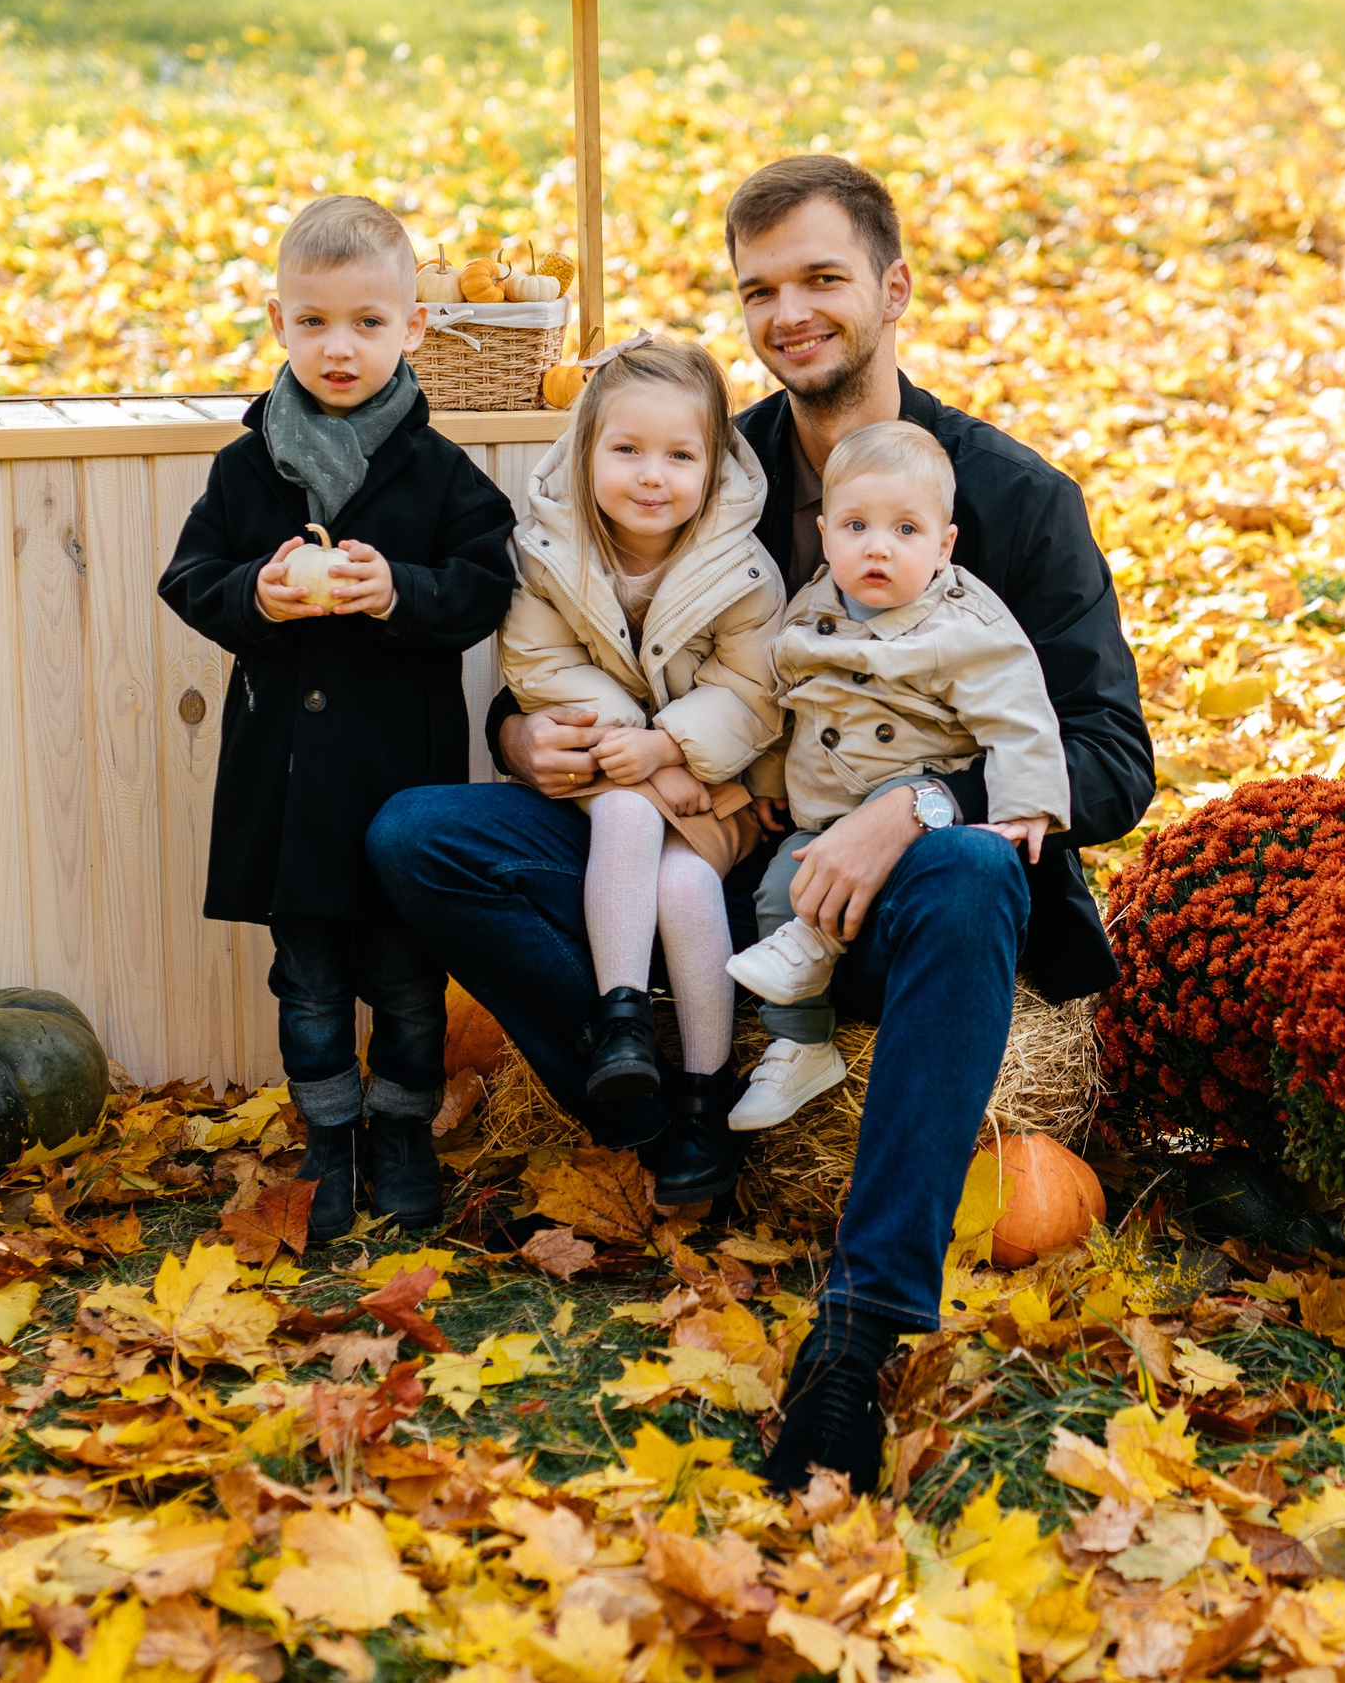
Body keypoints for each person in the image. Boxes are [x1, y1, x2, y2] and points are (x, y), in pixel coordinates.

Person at [368, 156, 1152, 1493]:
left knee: (966, 873)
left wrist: (916, 806)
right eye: (760, 289)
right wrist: (518, 732)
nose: (790, 312)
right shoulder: (700, 470)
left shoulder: (1009, 502)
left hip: (899, 886)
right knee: (420, 834)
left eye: (821, 279)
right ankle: (670, 1123)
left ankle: (860, 1330)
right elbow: (579, 623)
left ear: (893, 288)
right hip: (698, 840)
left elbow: (1112, 756)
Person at [159, 194, 516, 1245]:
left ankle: (400, 1131)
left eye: (367, 322)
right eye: (314, 322)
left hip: (398, 778)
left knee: (407, 983)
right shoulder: (245, 468)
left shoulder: (440, 473)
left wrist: (397, 588)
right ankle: (329, 1140)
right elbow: (190, 578)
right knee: (307, 977)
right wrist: (256, 599)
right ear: (280, 326)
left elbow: (484, 587)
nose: (339, 346)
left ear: (411, 328)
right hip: (286, 781)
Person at [727, 419, 1069, 1132]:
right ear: (825, 536)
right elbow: (782, 703)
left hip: (909, 805)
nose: (878, 546)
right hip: (824, 819)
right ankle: (800, 1040)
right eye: (856, 525)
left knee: (894, 800)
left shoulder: (964, 623)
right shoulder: (811, 607)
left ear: (944, 545)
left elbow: (1021, 712)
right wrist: (765, 779)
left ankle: (807, 946)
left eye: (906, 530)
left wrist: (1028, 803)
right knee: (775, 884)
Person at [498, 332, 784, 1128]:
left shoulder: (743, 569)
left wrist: (670, 746)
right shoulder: (548, 552)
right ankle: (621, 1021)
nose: (652, 476)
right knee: (624, 808)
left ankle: (705, 1092)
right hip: (610, 767)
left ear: (714, 465)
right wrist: (643, 756)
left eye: (679, 456)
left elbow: (755, 691)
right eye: (626, 449)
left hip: (712, 787)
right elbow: (537, 663)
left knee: (688, 883)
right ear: (586, 450)